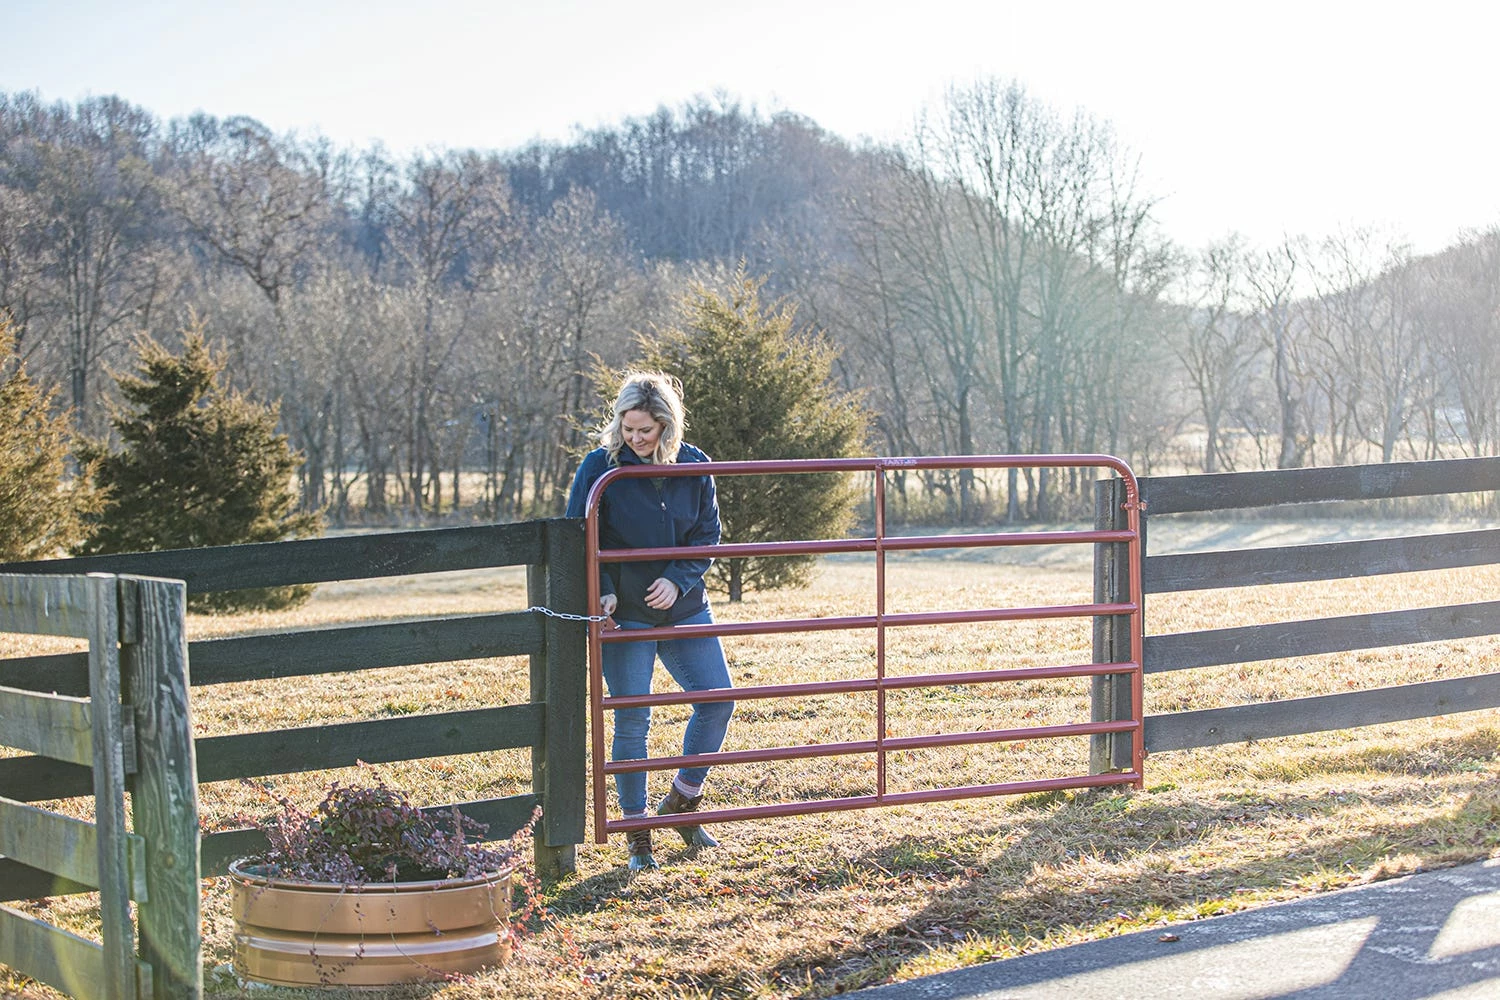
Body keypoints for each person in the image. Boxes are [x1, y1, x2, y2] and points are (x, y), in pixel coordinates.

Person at [565, 371, 735, 871]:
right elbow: (579, 535)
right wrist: (605, 591)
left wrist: (679, 578)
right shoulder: (600, 466)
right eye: (627, 427)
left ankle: (683, 802)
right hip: (626, 614)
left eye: (645, 430)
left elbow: (708, 534)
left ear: (666, 426)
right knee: (633, 717)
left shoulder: (694, 464)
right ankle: (637, 831)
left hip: (683, 606)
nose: (634, 438)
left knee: (718, 700)